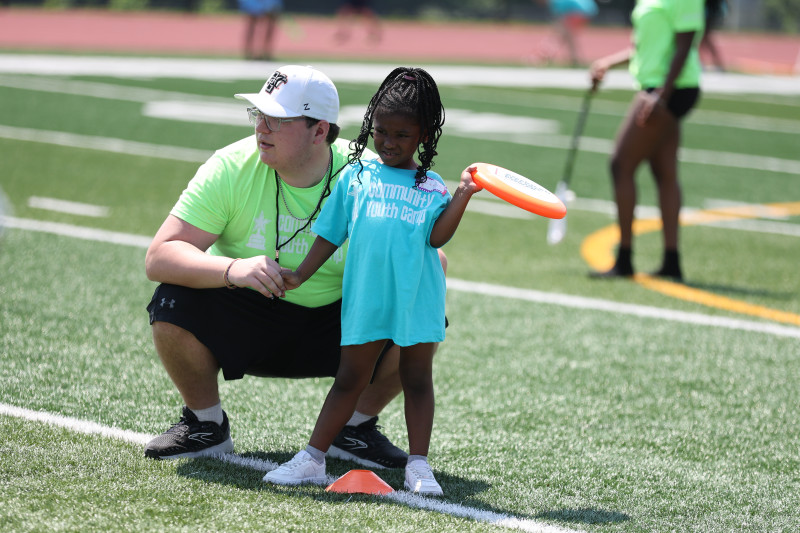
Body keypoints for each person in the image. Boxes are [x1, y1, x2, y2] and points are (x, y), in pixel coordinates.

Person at [144, 65, 447, 470]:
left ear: (320, 131)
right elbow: (159, 255)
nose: (262, 128)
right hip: (249, 315)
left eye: (278, 120)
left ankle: (354, 428)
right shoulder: (230, 166)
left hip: (342, 327)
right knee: (171, 300)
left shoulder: (372, 177)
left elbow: (431, 260)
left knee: (423, 318)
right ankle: (205, 424)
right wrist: (232, 269)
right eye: (258, 115)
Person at [263, 67, 480, 496]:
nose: (389, 142)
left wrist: (463, 195)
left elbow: (437, 237)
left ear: (423, 137)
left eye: (402, 134)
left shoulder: (432, 187)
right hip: (366, 298)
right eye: (381, 131)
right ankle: (312, 458)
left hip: (417, 300)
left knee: (417, 378)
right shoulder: (357, 176)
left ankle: (419, 466)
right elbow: (331, 232)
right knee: (350, 378)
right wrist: (301, 274)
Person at [588, 0, 706, 281]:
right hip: (659, 87)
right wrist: (608, 63)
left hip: (670, 89)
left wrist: (660, 96)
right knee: (664, 172)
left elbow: (684, 46)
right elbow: (646, 46)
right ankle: (671, 262)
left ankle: (625, 260)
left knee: (620, 164)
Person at [533, 0, 598, 66]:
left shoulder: (554, 3)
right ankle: (574, 59)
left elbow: (559, 20)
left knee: (564, 32)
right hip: (588, 10)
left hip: (581, 12)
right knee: (567, 35)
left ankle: (546, 54)